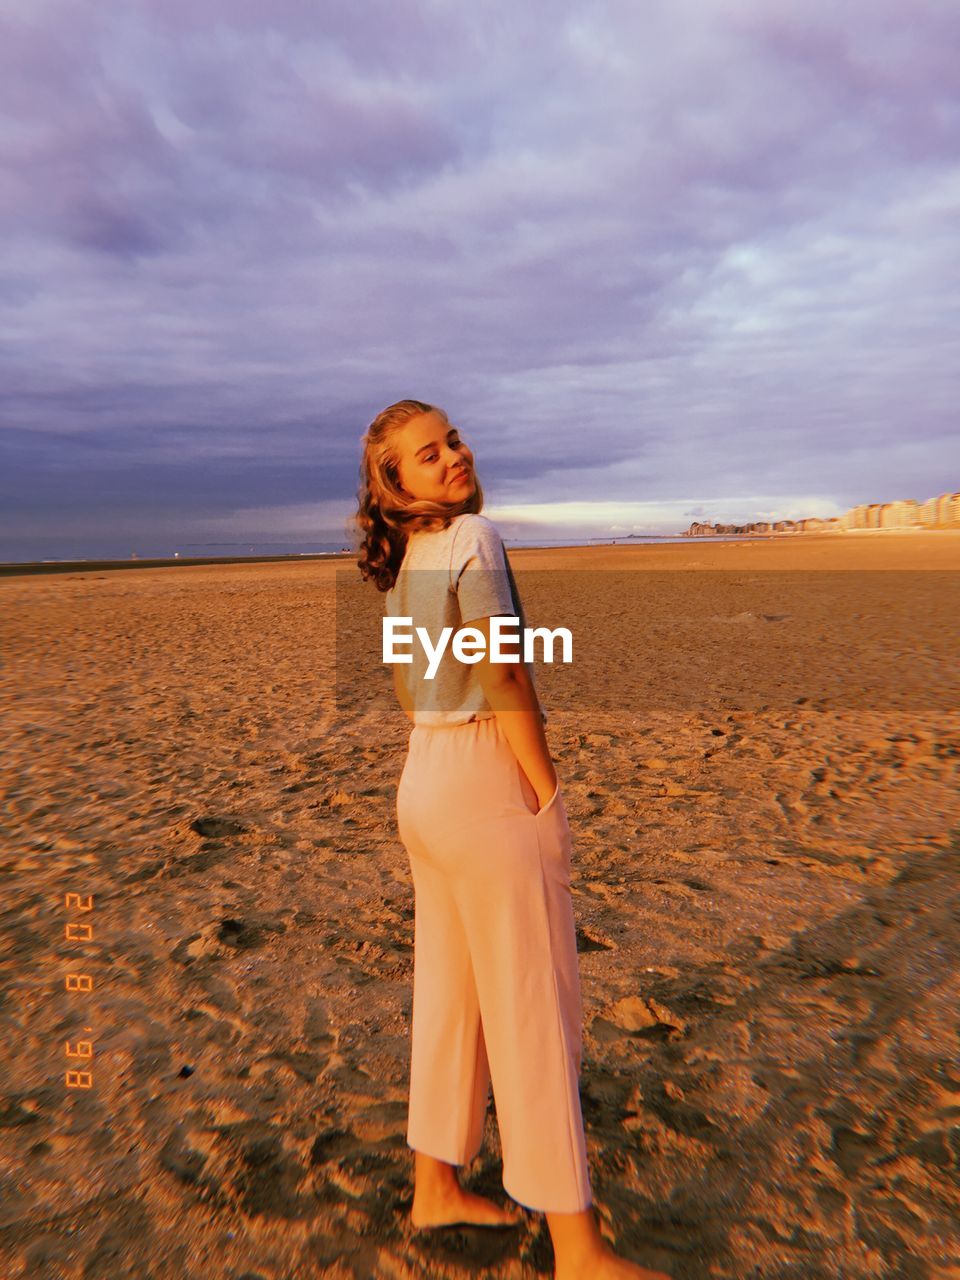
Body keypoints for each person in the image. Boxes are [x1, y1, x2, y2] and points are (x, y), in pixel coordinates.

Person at [353, 399, 671, 1280]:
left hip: (423, 782)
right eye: (428, 455)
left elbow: (408, 694)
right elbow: (503, 667)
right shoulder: (474, 539)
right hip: (483, 781)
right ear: (395, 484)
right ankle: (579, 1249)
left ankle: (436, 1185)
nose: (453, 457)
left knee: (452, 995)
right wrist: (545, 784)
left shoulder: (412, 557)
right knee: (533, 1008)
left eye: (451, 440)